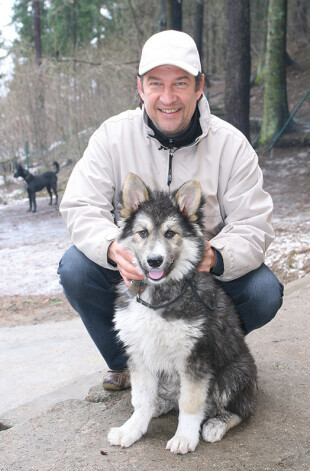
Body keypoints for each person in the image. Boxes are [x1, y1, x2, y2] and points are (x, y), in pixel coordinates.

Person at [58, 30, 284, 391]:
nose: (167, 97)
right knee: (75, 268)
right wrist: (112, 247)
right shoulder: (112, 137)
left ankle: (205, 358)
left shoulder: (231, 145)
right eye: (155, 84)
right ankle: (128, 364)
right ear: (140, 88)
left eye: (180, 83)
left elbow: (254, 222)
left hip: (200, 279)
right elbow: (80, 204)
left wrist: (217, 255)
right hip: (135, 273)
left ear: (199, 86)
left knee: (264, 291)